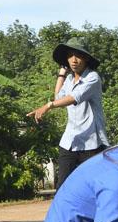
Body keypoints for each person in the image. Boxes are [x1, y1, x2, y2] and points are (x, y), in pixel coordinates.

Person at [27, 37, 109, 189]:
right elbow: (59, 98)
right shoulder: (70, 79)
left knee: (92, 187)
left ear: (86, 58)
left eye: (78, 56)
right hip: (70, 141)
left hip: (91, 143)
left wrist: (48, 106)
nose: (74, 60)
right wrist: (61, 74)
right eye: (70, 56)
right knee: (62, 188)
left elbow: (73, 98)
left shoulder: (92, 78)